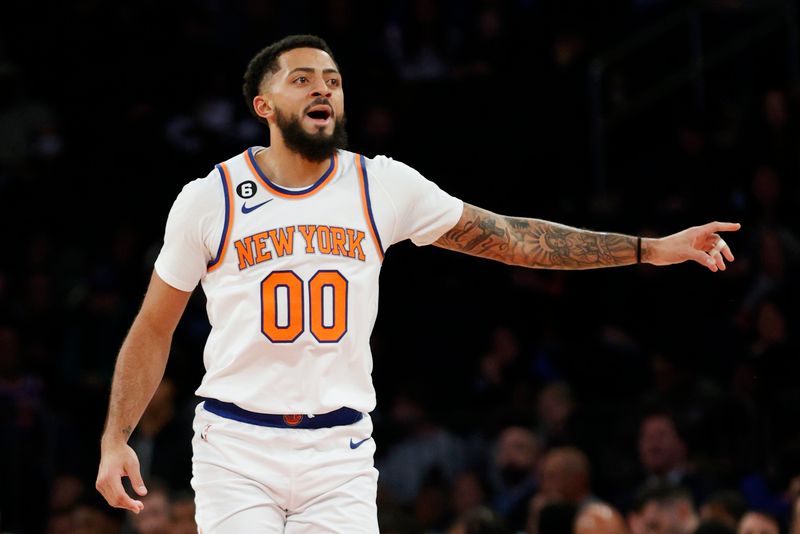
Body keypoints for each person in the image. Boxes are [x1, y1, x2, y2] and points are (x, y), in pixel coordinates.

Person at [95, 34, 741, 533]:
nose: (324, 89)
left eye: (334, 81)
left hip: (338, 449)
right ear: (264, 105)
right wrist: (115, 436)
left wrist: (650, 248)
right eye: (303, 79)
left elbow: (510, 236)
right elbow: (154, 326)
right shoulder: (209, 199)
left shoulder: (381, 184)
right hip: (237, 443)